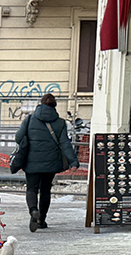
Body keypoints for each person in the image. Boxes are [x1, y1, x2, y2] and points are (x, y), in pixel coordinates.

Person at [10, 93, 79, 231]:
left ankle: (33, 210)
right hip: (51, 163)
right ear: (55, 106)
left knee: (31, 189)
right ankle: (41, 220)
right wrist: (73, 162)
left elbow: (18, 137)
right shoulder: (60, 123)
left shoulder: (29, 119)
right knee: (46, 190)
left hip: (31, 162)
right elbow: (65, 143)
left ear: (41, 104)